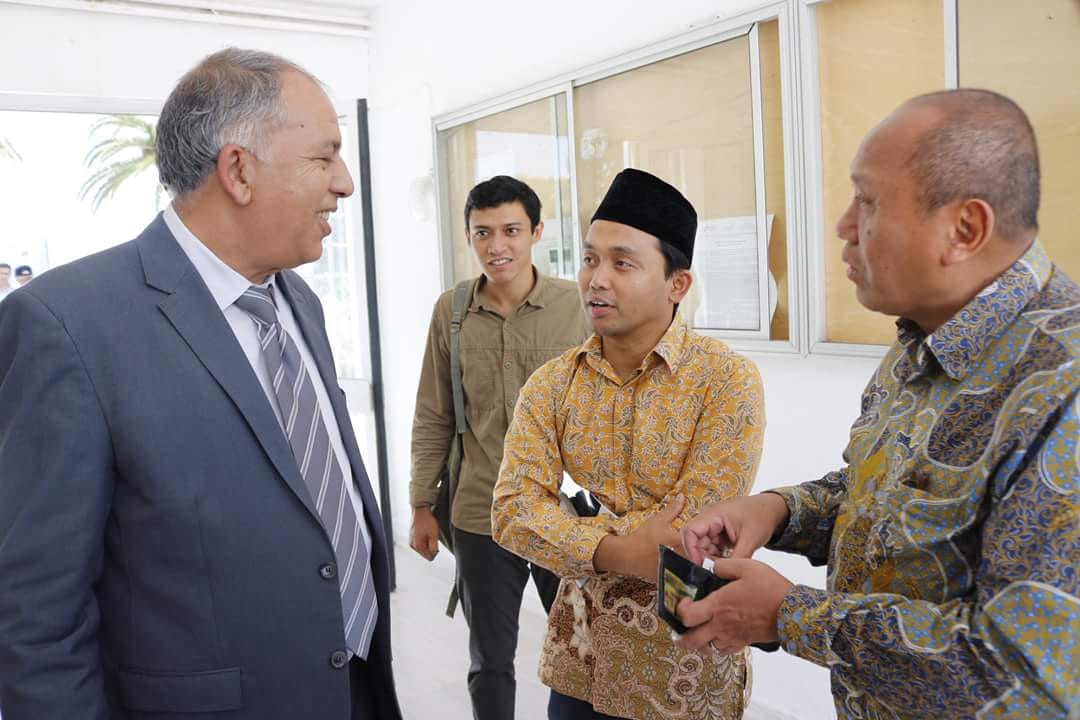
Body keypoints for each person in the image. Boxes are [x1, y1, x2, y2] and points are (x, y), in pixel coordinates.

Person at [0, 48, 401, 720]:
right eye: (323, 157)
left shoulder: (300, 302)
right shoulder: (65, 325)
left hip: (352, 691)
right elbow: (35, 618)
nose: (345, 183)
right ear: (239, 170)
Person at [677, 89, 1078, 719]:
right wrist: (778, 511)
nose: (842, 226)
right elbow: (891, 493)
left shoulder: (1063, 390)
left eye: (867, 200)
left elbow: (1024, 671)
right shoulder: (923, 338)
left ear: (964, 229)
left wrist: (788, 615)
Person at [493, 168, 766, 719]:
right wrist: (618, 549)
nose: (597, 279)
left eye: (622, 263)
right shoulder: (552, 383)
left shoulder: (726, 381)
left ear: (677, 284)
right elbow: (511, 512)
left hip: (682, 670)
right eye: (590, 258)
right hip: (579, 661)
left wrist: (570, 534)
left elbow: (695, 534)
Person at [409, 175, 588, 720]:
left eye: (511, 230)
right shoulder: (452, 312)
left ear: (536, 231)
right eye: (482, 232)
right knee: (490, 661)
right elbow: (434, 412)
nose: (496, 245)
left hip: (565, 517)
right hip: (480, 512)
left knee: (585, 652)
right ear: (469, 238)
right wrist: (421, 503)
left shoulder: (577, 306)